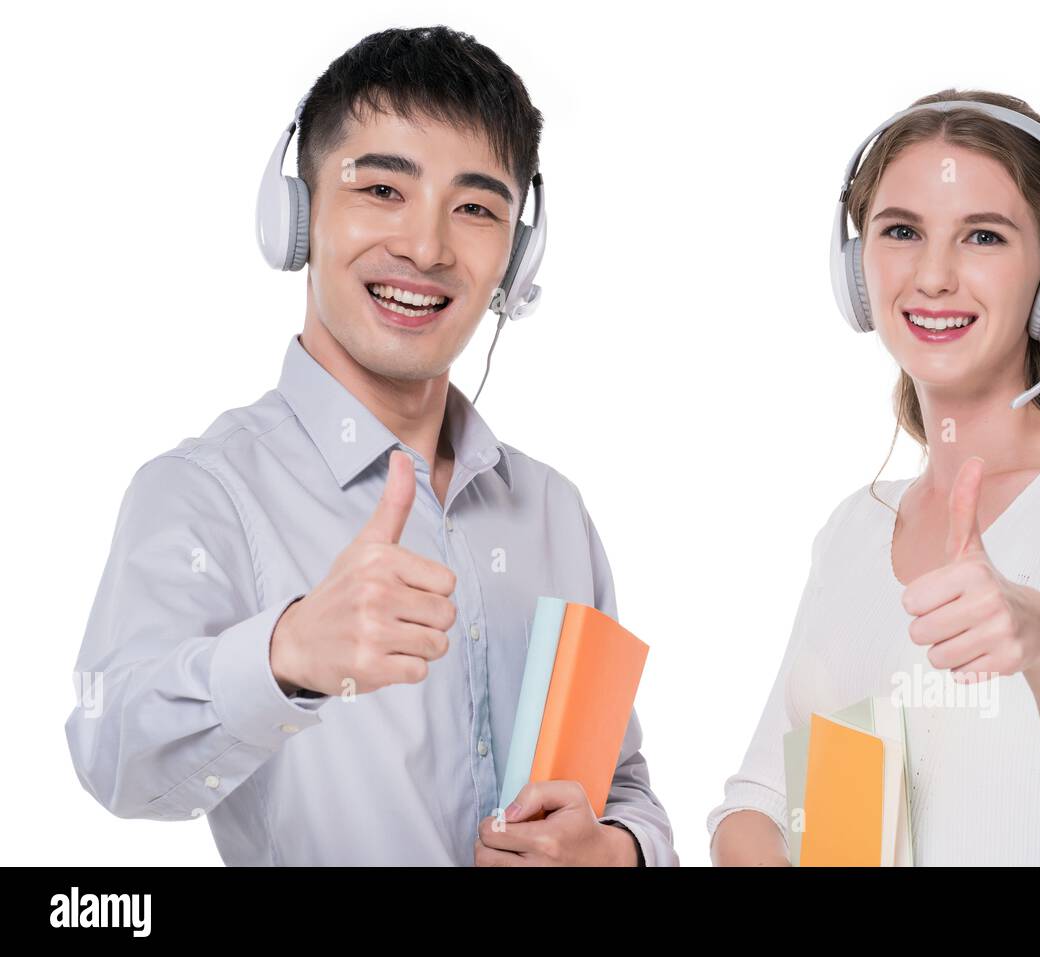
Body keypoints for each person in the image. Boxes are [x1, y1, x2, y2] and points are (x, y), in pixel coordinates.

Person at [65, 25, 676, 867]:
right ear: (296, 215)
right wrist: (288, 655)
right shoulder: (203, 492)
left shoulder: (551, 511)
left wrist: (614, 852)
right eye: (382, 189)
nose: (426, 248)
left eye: (474, 207)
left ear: (516, 257)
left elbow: (626, 782)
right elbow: (112, 755)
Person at [707, 90, 1040, 866]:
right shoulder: (853, 527)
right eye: (901, 232)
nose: (932, 275)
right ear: (856, 270)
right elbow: (756, 802)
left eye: (982, 236)